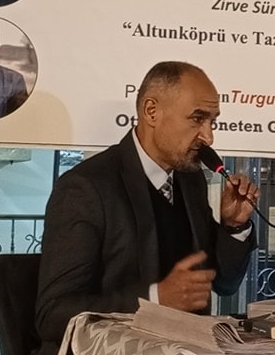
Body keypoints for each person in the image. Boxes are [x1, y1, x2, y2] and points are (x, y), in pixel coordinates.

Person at [35, 61, 258, 355]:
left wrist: (235, 226)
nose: (208, 137)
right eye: (197, 119)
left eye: (212, 121)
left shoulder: (191, 180)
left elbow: (225, 284)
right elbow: (53, 315)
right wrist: (155, 299)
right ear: (151, 111)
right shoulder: (85, 188)